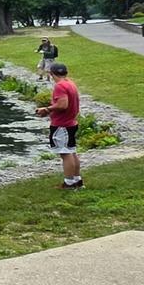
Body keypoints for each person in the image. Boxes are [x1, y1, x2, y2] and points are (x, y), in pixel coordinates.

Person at [40, 59, 81, 189]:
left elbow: (63, 105)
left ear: (52, 74)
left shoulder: (60, 86)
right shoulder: (70, 83)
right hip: (71, 122)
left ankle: (69, 183)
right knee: (72, 151)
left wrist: (47, 109)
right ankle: (77, 180)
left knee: (65, 153)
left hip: (62, 124)